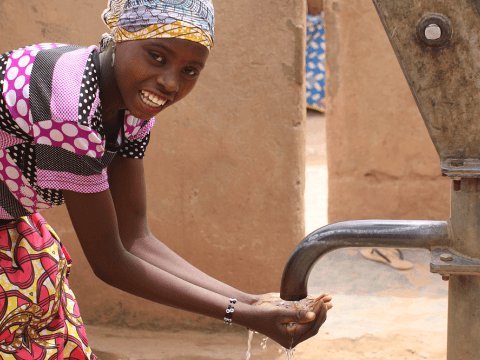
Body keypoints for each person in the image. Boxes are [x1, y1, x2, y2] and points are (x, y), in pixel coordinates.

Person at [0, 0, 332, 357]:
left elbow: (135, 237)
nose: (170, 83)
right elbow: (110, 262)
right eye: (157, 57)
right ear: (120, 37)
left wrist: (254, 301)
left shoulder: (131, 105)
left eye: (190, 70)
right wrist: (246, 315)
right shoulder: (68, 106)